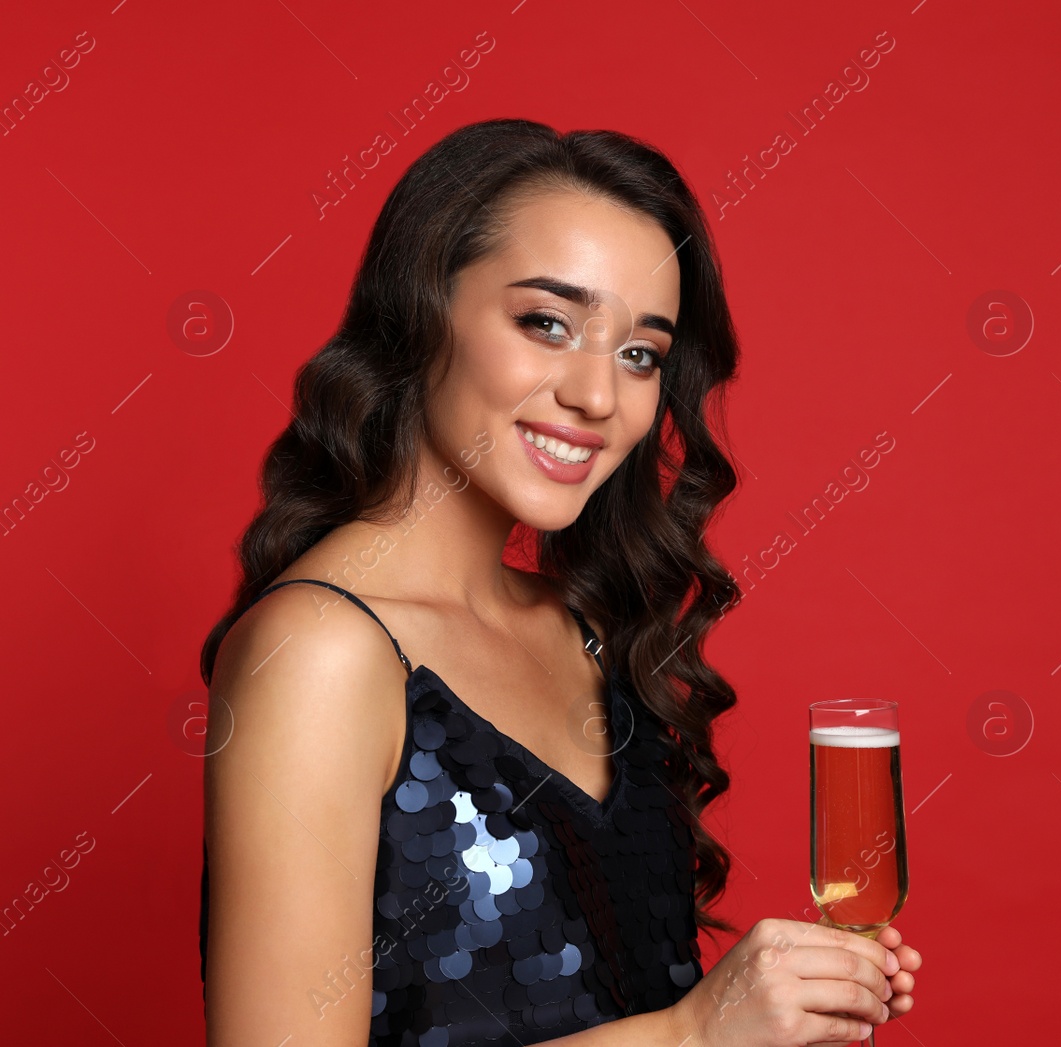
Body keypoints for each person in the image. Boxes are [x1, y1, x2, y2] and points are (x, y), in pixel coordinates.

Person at [198, 119, 921, 1047]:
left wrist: (783, 1012)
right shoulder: (319, 655)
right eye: (547, 322)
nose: (597, 395)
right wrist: (688, 1035)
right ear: (420, 312)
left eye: (640, 354)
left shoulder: (582, 626)